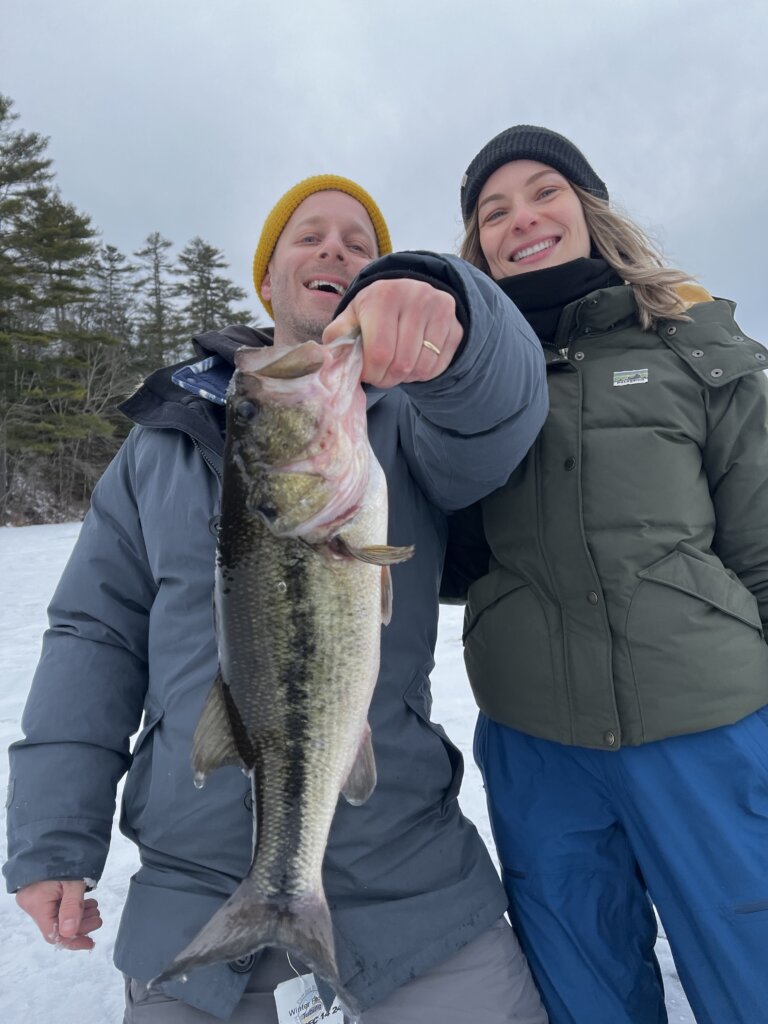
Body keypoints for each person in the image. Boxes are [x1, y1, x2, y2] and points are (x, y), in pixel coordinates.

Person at [4, 174, 549, 1024]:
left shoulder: (413, 419)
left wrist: (450, 301)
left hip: (416, 891)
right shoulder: (157, 450)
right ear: (267, 279)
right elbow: (93, 635)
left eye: (359, 244)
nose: (334, 248)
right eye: (308, 236)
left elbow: (501, 408)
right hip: (191, 901)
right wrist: (51, 837)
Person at [443, 124, 768, 1024]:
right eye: (494, 211)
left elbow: (763, 549)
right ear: (479, 249)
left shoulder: (697, 352)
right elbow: (452, 560)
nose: (523, 219)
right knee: (587, 995)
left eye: (544, 191)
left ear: (587, 208)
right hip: (537, 745)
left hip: (707, 729)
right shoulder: (465, 383)